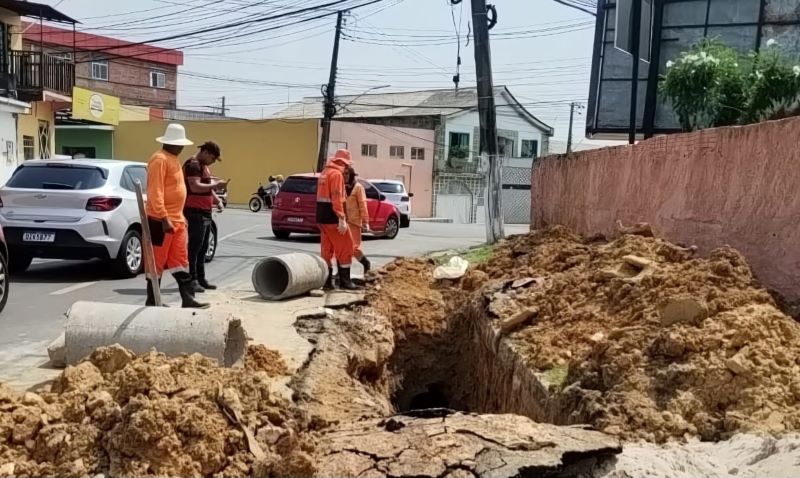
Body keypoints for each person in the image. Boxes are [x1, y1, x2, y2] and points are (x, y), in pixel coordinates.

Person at [145, 123, 208, 309]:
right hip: (160, 221)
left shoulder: (172, 159)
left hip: (177, 220)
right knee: (156, 262)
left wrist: (180, 216)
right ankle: (153, 299)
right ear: (172, 143)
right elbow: (155, 192)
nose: (181, 147)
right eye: (179, 144)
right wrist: (164, 217)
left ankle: (188, 298)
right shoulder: (159, 159)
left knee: (180, 261)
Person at [183, 141, 226, 294]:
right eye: (213, 158)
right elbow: (195, 186)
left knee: (203, 247)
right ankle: (192, 279)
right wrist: (215, 185)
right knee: (195, 247)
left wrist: (217, 200)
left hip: (205, 211)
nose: (213, 161)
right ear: (206, 152)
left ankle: (201, 278)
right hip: (194, 211)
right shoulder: (193, 165)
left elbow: (206, 187)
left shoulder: (203, 167)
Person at [316, 149, 357, 291]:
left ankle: (327, 283)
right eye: (347, 164)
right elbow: (337, 198)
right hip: (333, 218)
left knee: (327, 249)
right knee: (345, 247)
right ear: (343, 162)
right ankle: (345, 281)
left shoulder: (324, 173)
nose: (347, 168)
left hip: (322, 217)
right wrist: (341, 218)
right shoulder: (336, 175)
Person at [344, 166, 371, 273]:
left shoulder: (358, 187)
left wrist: (365, 222)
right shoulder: (342, 187)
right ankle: (343, 272)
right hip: (344, 223)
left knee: (354, 248)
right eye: (343, 174)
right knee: (343, 248)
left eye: (347, 174)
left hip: (354, 223)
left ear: (351, 175)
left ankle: (365, 263)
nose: (345, 176)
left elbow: (362, 205)